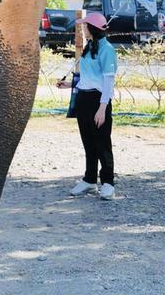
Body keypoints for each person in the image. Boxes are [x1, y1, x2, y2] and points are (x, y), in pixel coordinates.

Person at [57, 12, 117, 200]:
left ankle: (108, 183)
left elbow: (108, 81)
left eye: (85, 26)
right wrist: (70, 85)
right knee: (88, 142)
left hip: (98, 101)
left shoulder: (107, 50)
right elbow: (89, 78)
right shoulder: (90, 46)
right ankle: (90, 180)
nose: (82, 29)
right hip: (83, 99)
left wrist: (102, 108)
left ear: (92, 28)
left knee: (102, 143)